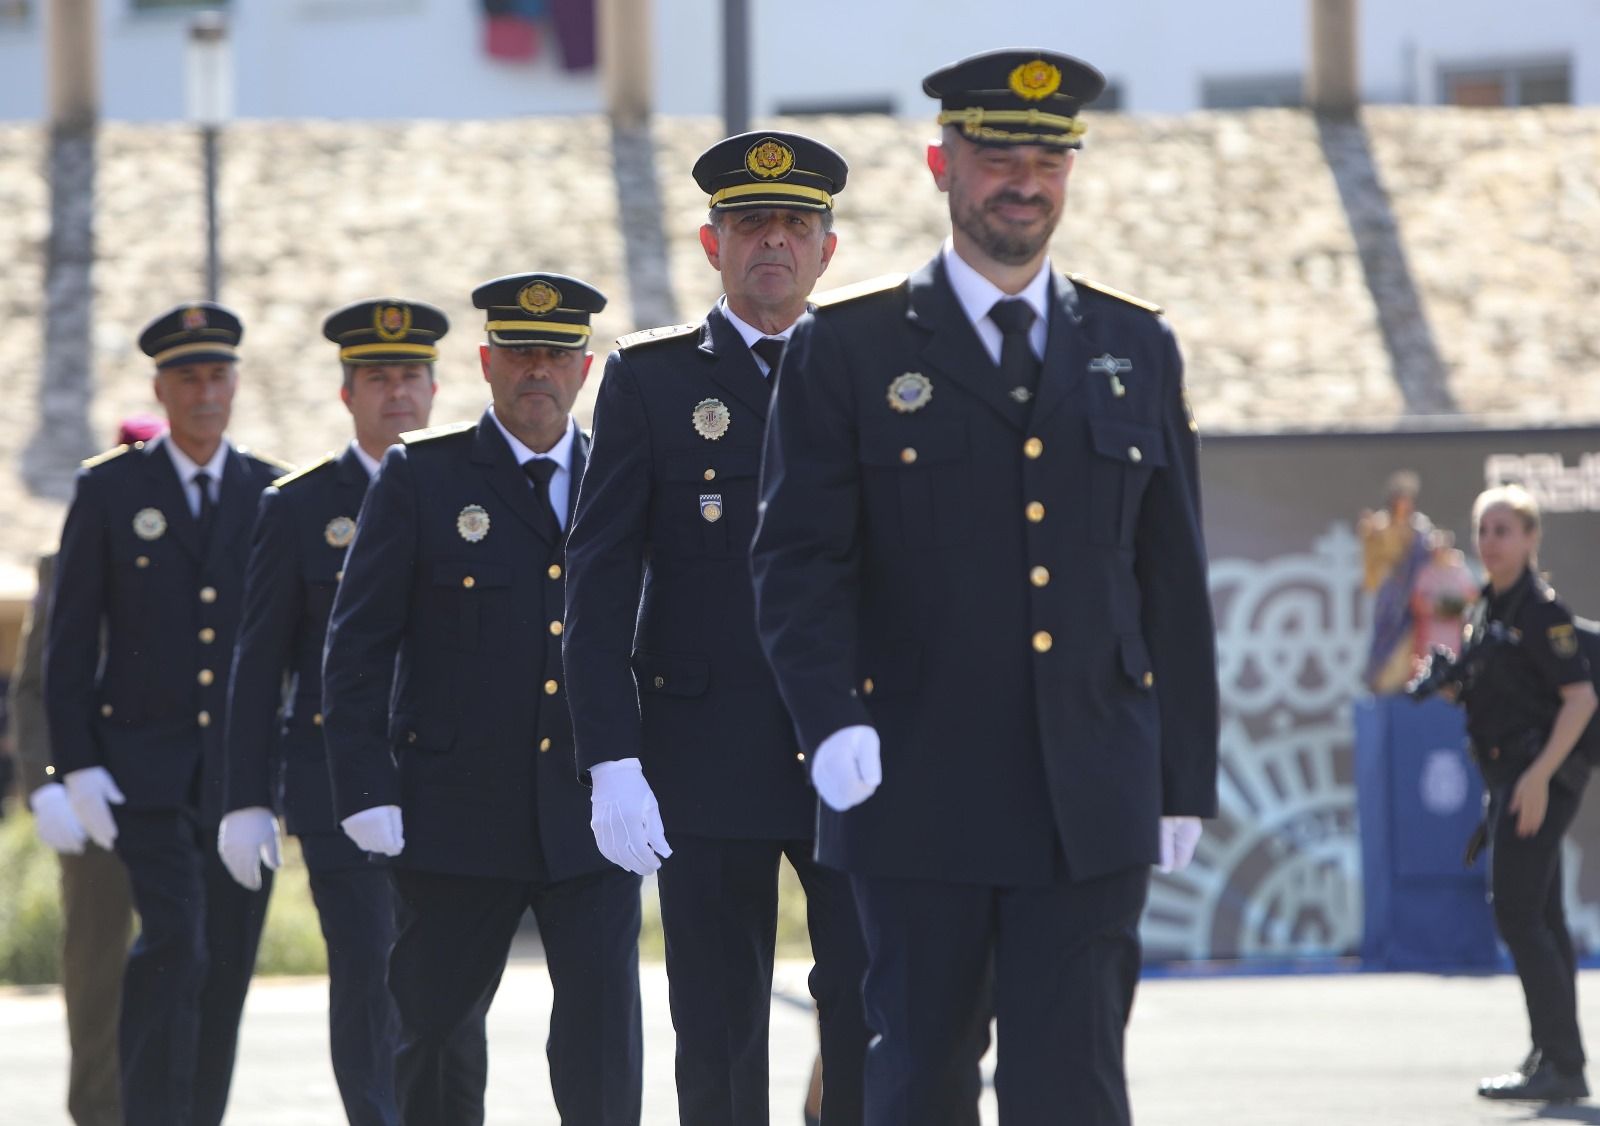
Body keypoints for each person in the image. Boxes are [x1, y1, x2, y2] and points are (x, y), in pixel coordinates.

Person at [748, 48, 1218, 1126]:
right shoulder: (849, 347)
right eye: (999, 157)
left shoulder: (1133, 345)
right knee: (919, 1082)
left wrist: (1183, 773)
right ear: (941, 164)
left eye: (1047, 160)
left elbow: (1170, 577)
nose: (1024, 182)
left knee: (1075, 1089)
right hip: (917, 786)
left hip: (1089, 791)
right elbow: (796, 561)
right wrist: (829, 719)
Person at [564, 131, 868, 1125]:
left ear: (826, 249)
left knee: (873, 1008)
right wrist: (610, 757)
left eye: (795, 225)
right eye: (750, 224)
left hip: (853, 743)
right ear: (712, 243)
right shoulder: (651, 380)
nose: (773, 241)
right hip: (705, 752)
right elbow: (599, 579)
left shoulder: (872, 368)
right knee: (718, 1026)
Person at [321, 273, 643, 1126]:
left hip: (591, 812)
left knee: (603, 1043)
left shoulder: (623, 472)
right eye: (520, 352)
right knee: (432, 1035)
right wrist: (364, 786)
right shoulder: (421, 476)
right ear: (485, 362)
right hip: (455, 815)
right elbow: (356, 648)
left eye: (556, 355)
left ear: (584, 369)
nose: (538, 369)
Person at [219, 298, 487, 1126]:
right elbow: (259, 662)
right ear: (347, 394)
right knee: (369, 975)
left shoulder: (475, 488)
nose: (397, 392)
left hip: (451, 780)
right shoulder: (299, 506)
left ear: (436, 389)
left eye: (411, 376)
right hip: (336, 783)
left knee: (455, 982)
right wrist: (245, 796)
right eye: (378, 378)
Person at [43, 303, 287, 1126]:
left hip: (240, 779)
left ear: (235, 385)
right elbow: (70, 642)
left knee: (225, 967)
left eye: (218, 375)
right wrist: (75, 765)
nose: (204, 392)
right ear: (161, 388)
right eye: (188, 378)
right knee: (174, 944)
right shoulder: (112, 489)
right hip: (140, 773)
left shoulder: (270, 490)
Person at [10, 414, 161, 1126]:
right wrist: (46, 784)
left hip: (172, 786)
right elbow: (35, 686)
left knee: (183, 962)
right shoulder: (64, 559)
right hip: (87, 790)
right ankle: (99, 1110)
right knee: (97, 966)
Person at [1451, 485, 1597, 1102]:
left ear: (1532, 538)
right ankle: (1557, 1056)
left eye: (1504, 530)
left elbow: (1580, 699)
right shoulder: (1489, 607)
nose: (1490, 542)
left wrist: (1537, 778)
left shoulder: (1540, 611)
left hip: (1537, 781)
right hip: (1511, 778)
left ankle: (1559, 1061)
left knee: (1517, 912)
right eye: (1483, 530)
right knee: (1542, 916)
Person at [1358, 470, 1435, 693]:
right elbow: (1373, 562)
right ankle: (1380, 681)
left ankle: (1404, 683)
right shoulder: (1380, 526)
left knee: (1409, 641)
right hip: (1390, 595)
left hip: (1411, 595)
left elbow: (1427, 552)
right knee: (1385, 637)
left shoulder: (1418, 527)